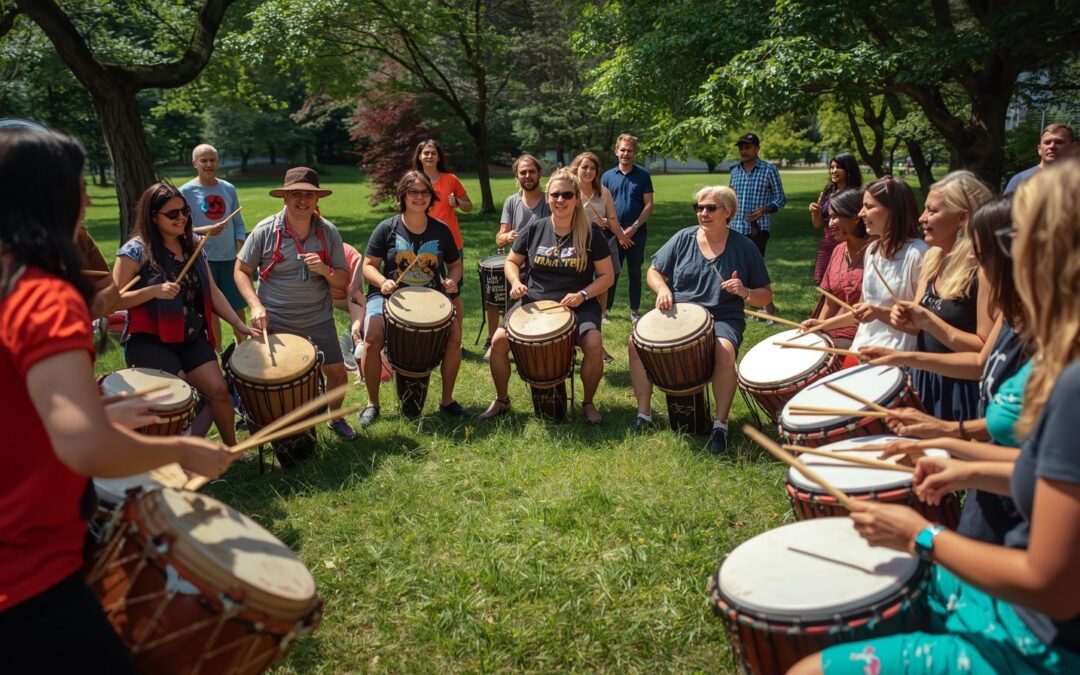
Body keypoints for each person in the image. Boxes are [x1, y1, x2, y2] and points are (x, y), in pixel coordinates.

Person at [788, 160, 1080, 675]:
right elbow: (1045, 469)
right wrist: (960, 456)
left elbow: (1052, 587)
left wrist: (919, 535)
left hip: (1042, 643)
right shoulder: (1063, 358)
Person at [0, 125, 235, 673]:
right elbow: (84, 447)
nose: (86, 196)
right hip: (28, 567)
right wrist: (179, 450)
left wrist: (100, 409)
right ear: (55, 196)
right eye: (78, 183)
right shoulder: (44, 296)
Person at [860, 195, 1029, 545]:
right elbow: (982, 366)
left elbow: (1039, 466)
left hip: (1022, 517)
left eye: (981, 255)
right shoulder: (1014, 317)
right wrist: (904, 361)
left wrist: (924, 539)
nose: (975, 264)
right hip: (992, 493)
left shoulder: (1056, 347)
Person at [627, 186, 772, 454]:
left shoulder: (745, 247)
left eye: (710, 208)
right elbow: (654, 272)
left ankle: (720, 425)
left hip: (722, 317)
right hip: (680, 314)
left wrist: (744, 292)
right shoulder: (683, 238)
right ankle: (644, 414)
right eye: (699, 207)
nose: (703, 213)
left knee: (724, 352)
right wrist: (662, 289)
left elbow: (765, 297)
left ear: (727, 212)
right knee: (636, 343)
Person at [113, 183, 255, 447]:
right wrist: (153, 291)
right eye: (172, 214)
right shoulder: (134, 251)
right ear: (153, 217)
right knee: (181, 394)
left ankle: (230, 449)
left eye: (184, 211)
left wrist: (237, 323)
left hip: (190, 335)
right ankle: (179, 455)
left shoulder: (194, 243)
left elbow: (211, 290)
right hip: (149, 341)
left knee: (219, 391)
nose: (182, 218)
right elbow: (114, 300)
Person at [480, 167, 615, 423]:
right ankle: (502, 400)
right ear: (548, 197)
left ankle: (588, 402)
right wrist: (515, 281)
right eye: (555, 195)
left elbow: (606, 276)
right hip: (533, 302)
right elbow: (511, 261)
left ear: (576, 199)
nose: (560, 200)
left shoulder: (591, 233)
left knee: (594, 345)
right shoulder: (535, 228)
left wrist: (583, 294)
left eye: (566, 195)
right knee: (498, 342)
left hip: (577, 304)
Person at [234, 167, 356, 439]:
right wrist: (255, 305)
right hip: (276, 319)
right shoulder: (266, 231)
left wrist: (324, 270)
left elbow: (342, 281)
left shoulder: (328, 233)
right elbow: (240, 269)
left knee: (337, 375)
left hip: (318, 317)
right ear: (285, 198)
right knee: (280, 382)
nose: (303, 200)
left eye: (309, 195)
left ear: (317, 199)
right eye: (296, 194)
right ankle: (281, 428)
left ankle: (334, 420)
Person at [358, 170, 465, 425]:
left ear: (431, 197)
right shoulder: (387, 227)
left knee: (455, 337)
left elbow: (455, 264)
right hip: (390, 295)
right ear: (402, 196)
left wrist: (452, 279)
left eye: (424, 192)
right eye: (413, 192)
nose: (419, 197)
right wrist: (382, 281)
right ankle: (372, 403)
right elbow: (368, 265)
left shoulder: (441, 230)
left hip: (431, 296)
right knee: (372, 336)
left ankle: (447, 400)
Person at [891, 171, 994, 422]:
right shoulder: (932, 257)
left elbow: (986, 350)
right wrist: (900, 316)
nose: (921, 218)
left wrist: (928, 321)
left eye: (932, 211)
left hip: (962, 389)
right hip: (925, 376)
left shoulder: (983, 270)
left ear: (962, 218)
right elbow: (918, 322)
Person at [843, 176, 928, 352]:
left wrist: (878, 313)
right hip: (862, 347)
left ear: (892, 211)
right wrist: (822, 325)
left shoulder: (918, 253)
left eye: (869, 206)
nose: (860, 213)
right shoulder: (872, 250)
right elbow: (862, 310)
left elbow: (920, 324)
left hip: (897, 356)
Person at [180, 144, 247, 347]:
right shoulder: (184, 192)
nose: (209, 164)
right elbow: (180, 227)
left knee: (237, 306)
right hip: (202, 259)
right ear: (195, 163)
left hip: (229, 259)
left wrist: (241, 248)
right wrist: (204, 230)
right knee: (210, 309)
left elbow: (238, 223)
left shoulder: (227, 188)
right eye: (204, 160)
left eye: (212, 160)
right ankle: (216, 350)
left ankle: (244, 348)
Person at [486, 154, 550, 356]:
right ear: (517, 176)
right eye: (523, 172)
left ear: (539, 173)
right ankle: (492, 339)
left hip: (544, 263)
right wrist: (507, 236)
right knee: (492, 290)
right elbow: (499, 238)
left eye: (531, 171)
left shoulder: (550, 199)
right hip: (517, 261)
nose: (528, 175)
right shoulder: (511, 202)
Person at [800, 188, 872, 347]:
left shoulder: (876, 255)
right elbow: (830, 303)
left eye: (834, 217)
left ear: (855, 217)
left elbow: (863, 314)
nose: (830, 223)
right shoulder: (838, 250)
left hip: (863, 336)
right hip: (834, 331)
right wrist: (818, 329)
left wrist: (823, 327)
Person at [571, 151, 630, 333]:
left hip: (599, 240)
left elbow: (612, 218)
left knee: (604, 278)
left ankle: (602, 314)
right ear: (577, 169)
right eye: (584, 167)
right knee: (578, 278)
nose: (588, 171)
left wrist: (621, 236)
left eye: (592, 168)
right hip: (576, 239)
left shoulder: (603, 192)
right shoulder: (570, 190)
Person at [728, 132, 785, 316]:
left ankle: (768, 306)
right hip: (735, 226)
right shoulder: (734, 171)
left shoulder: (769, 170)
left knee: (756, 266)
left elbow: (781, 198)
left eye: (748, 147)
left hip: (757, 229)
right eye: (741, 148)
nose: (744, 151)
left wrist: (765, 209)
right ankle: (745, 302)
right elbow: (730, 199)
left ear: (757, 148)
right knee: (736, 264)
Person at [601, 133, 654, 323]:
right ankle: (604, 311)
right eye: (622, 150)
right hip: (612, 234)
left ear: (634, 153)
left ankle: (634, 311)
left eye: (629, 150)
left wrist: (633, 227)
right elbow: (601, 206)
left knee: (634, 272)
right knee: (611, 272)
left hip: (636, 234)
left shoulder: (643, 176)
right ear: (616, 151)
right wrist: (617, 231)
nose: (625, 153)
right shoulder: (607, 176)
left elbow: (648, 205)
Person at [809, 152, 862, 283]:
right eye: (831, 167)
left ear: (848, 169)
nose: (833, 171)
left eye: (838, 167)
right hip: (828, 242)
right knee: (825, 283)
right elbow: (818, 225)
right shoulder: (827, 192)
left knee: (846, 280)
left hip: (849, 243)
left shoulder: (857, 194)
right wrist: (816, 212)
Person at [414, 139, 472, 258]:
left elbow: (469, 206)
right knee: (428, 276)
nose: (429, 156)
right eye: (426, 153)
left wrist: (457, 202)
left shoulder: (451, 179)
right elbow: (400, 206)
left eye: (433, 153)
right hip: (423, 240)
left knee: (455, 276)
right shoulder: (413, 181)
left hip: (451, 239)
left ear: (439, 157)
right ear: (419, 156)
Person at [1003, 123, 1077, 193]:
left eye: (1059, 142)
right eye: (1047, 142)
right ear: (1039, 149)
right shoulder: (1020, 180)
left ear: (1073, 147)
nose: (1052, 146)